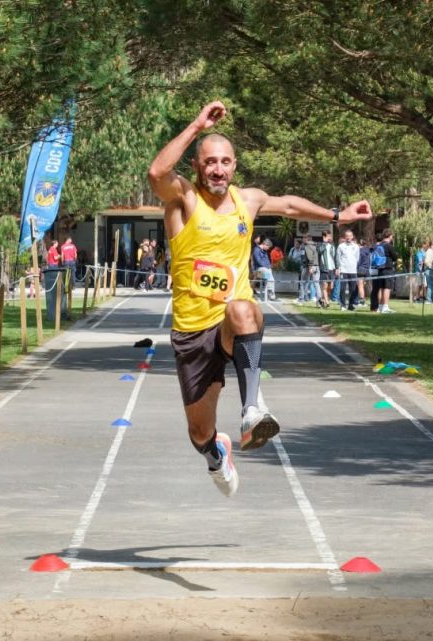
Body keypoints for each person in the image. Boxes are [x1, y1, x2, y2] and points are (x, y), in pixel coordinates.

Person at [147, 100, 371, 496]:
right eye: (210, 162)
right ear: (198, 167)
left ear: (235, 166)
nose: (218, 169)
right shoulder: (184, 199)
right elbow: (157, 172)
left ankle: (252, 410)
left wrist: (339, 217)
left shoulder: (246, 200)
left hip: (231, 321)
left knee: (242, 308)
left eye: (226, 162)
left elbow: (287, 204)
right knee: (199, 432)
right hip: (191, 330)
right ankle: (216, 454)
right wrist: (197, 125)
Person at [373, 230, 397, 313]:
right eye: (392, 236)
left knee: (381, 288)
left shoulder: (379, 245)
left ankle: (380, 306)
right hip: (387, 268)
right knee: (387, 288)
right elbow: (395, 257)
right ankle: (385, 307)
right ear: (390, 236)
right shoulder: (389, 246)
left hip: (380, 269)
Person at [336, 230, 359, 311]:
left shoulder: (356, 246)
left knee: (353, 289)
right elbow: (338, 258)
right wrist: (338, 268)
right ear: (345, 237)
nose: (348, 237)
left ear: (352, 237)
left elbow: (357, 258)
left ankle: (351, 305)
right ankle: (342, 305)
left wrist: (354, 266)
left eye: (350, 236)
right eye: (347, 236)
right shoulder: (341, 246)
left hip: (353, 270)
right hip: (343, 270)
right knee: (342, 288)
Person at [317, 230, 336, 308]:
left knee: (330, 287)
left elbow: (334, 257)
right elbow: (319, 251)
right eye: (328, 236)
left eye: (330, 236)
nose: (330, 237)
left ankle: (321, 299)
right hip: (324, 268)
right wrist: (324, 243)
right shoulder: (320, 245)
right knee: (324, 286)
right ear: (324, 237)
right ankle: (327, 302)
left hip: (332, 268)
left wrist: (337, 268)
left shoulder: (332, 246)